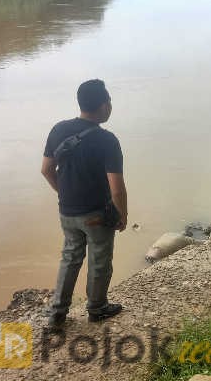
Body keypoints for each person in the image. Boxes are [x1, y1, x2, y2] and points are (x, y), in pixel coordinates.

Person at [41, 79, 127, 330]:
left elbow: (46, 170)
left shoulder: (58, 130)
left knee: (70, 258)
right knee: (99, 260)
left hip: (67, 211)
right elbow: (117, 188)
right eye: (109, 101)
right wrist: (122, 215)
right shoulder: (107, 140)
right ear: (103, 106)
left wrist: (64, 193)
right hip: (97, 215)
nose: (110, 106)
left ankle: (57, 314)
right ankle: (97, 308)